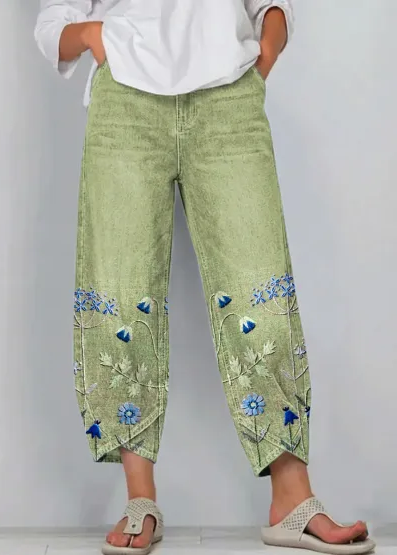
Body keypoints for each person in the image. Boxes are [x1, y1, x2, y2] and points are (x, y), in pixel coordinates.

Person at [34, 1, 375, 554]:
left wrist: (268, 46)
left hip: (228, 99)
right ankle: (140, 499)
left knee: (260, 291)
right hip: (126, 106)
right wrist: (96, 34)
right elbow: (53, 27)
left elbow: (271, 4)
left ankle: (291, 499)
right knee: (122, 296)